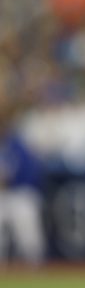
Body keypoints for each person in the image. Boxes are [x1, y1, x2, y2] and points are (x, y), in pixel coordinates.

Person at [0, 89, 46, 266]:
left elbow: (31, 170)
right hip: (2, 197)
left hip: (19, 193)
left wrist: (10, 178)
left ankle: (34, 269)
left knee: (27, 226)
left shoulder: (18, 142)